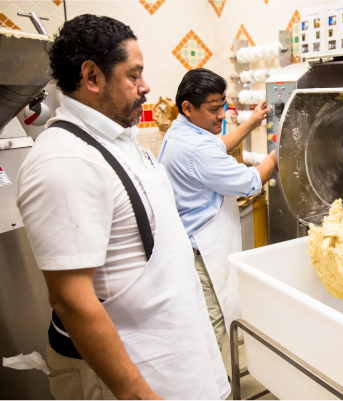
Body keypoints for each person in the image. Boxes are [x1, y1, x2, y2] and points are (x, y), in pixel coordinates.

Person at [16, 15, 229, 400]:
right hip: (128, 376)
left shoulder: (118, 140)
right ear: (92, 77)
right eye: (134, 75)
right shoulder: (65, 163)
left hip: (172, 355)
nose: (146, 86)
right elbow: (72, 302)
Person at [158, 69, 277, 350]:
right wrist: (276, 155)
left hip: (189, 247)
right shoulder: (196, 149)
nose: (222, 115)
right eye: (214, 109)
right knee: (211, 331)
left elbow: (216, 145)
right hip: (203, 256)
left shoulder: (182, 131)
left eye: (223, 106)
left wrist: (251, 123)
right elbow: (249, 182)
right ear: (187, 107)